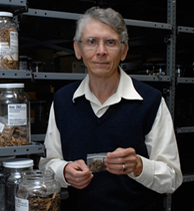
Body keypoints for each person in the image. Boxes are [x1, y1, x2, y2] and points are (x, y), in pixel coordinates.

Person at [39, 7, 183, 211]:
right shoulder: (63, 101)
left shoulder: (150, 101)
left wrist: (139, 166)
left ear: (124, 51)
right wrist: (64, 172)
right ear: (78, 50)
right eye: (91, 41)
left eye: (110, 42)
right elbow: (47, 164)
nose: (101, 51)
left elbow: (172, 178)